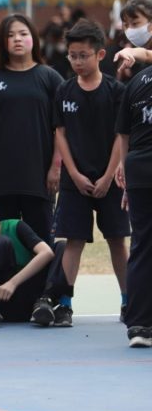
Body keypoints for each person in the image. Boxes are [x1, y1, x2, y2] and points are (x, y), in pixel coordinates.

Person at [51, 19, 128, 326]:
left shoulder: (116, 91)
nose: (77, 61)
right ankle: (64, 304)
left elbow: (121, 136)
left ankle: (129, 301)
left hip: (111, 179)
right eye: (72, 55)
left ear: (100, 54)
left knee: (117, 241)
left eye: (83, 55)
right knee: (74, 241)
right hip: (75, 181)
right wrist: (73, 173)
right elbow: (60, 134)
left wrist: (109, 176)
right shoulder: (64, 90)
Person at [0, 14, 63, 244]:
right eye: (10, 35)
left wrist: (56, 167)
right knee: (2, 240)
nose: (17, 39)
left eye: (23, 34)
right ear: (2, 42)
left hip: (39, 177)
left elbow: (61, 128)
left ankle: (42, 271)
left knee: (42, 241)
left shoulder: (50, 78)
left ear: (34, 38)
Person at [0, 193, 69, 325]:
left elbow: (46, 253)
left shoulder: (14, 227)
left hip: (29, 296)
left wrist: (12, 283)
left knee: (63, 247)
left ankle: (49, 302)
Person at [109, 35, 152, 347]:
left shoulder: (136, 83)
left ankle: (138, 325)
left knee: (141, 245)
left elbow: (123, 133)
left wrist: (125, 172)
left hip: (138, 168)